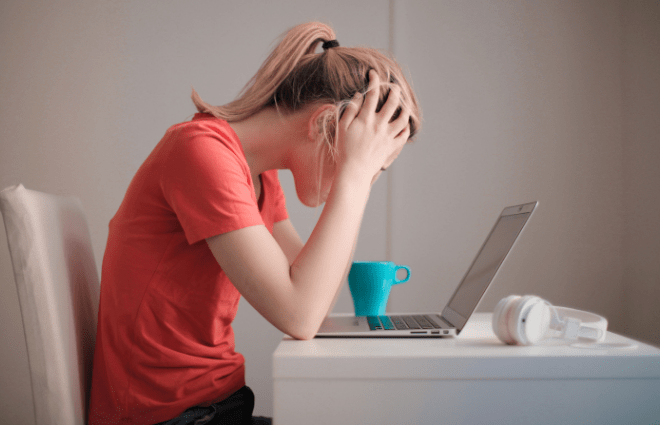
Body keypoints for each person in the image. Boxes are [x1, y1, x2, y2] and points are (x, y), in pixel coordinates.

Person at [88, 21, 421, 425]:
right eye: (368, 161)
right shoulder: (201, 153)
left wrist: (356, 176)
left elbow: (318, 296)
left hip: (219, 406)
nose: (366, 178)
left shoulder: (259, 177)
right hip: (167, 418)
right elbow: (300, 315)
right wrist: (353, 177)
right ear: (321, 125)